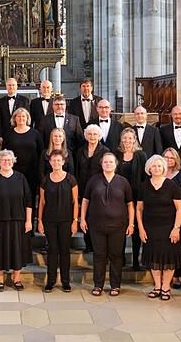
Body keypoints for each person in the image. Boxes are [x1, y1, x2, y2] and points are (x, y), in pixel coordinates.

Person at [80, 152, 134, 296]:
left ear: (115, 164)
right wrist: (82, 218)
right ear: (101, 164)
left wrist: (131, 224)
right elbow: (85, 200)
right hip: (97, 225)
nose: (108, 164)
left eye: (111, 162)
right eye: (105, 162)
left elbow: (130, 204)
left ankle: (115, 285)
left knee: (116, 255)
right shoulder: (94, 180)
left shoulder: (123, 182)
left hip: (118, 226)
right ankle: (98, 285)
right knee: (99, 255)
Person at [0, 150, 33, 291]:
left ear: (13, 161)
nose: (6, 162)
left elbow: (28, 200)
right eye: (4, 160)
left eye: (9, 160)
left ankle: (17, 278)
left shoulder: (21, 178)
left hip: (19, 220)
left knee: (18, 250)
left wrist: (29, 221)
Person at [138, 155, 181, 301]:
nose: (156, 168)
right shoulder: (144, 186)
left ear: (163, 168)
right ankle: (157, 286)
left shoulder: (172, 185)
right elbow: (139, 209)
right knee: (154, 258)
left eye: (159, 166)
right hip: (150, 228)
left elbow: (180, 209)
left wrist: (176, 228)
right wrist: (141, 228)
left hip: (169, 228)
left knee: (168, 258)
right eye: (154, 166)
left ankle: (166, 287)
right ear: (149, 168)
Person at [37, 150, 79, 292]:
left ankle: (65, 281)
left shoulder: (71, 179)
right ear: (50, 162)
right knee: (52, 250)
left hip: (66, 220)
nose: (56, 162)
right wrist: (40, 221)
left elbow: (75, 202)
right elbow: (42, 202)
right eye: (53, 160)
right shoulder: (45, 179)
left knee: (65, 251)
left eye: (58, 160)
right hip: (49, 220)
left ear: (63, 162)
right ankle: (51, 280)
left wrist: (75, 221)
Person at [114, 128, 149, 270]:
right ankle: (120, 258)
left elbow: (146, 177)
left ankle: (136, 261)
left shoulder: (141, 155)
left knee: (135, 227)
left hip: (136, 196)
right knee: (120, 228)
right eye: (125, 138)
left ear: (134, 139)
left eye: (130, 138)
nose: (127, 141)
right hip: (119, 197)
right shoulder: (116, 154)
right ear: (121, 139)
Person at [75, 125, 110, 254]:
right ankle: (88, 244)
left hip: (98, 188)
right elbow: (77, 170)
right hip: (84, 187)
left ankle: (97, 245)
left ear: (99, 136)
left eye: (95, 134)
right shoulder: (80, 151)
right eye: (90, 134)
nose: (92, 137)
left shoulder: (105, 151)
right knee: (86, 216)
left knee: (96, 217)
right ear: (86, 136)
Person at [2, 108, 43, 204]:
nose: (21, 118)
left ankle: (30, 219)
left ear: (27, 118)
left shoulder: (35, 133)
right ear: (14, 118)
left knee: (30, 196)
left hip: (32, 171)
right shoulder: (9, 134)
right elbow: (4, 153)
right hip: (13, 171)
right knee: (15, 196)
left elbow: (41, 152)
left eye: (23, 116)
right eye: (18, 116)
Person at [164, 147, 181, 288]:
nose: (169, 160)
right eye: (166, 157)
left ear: (176, 160)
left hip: (177, 218)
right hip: (161, 218)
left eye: (171, 158)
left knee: (175, 248)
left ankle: (176, 275)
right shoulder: (157, 173)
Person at [0, 78, 29, 145]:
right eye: (9, 85)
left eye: (13, 85)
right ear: (6, 87)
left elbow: (28, 118)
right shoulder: (1, 101)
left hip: (21, 133)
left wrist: (27, 133)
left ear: (17, 86)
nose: (11, 87)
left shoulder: (24, 100)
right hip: (6, 134)